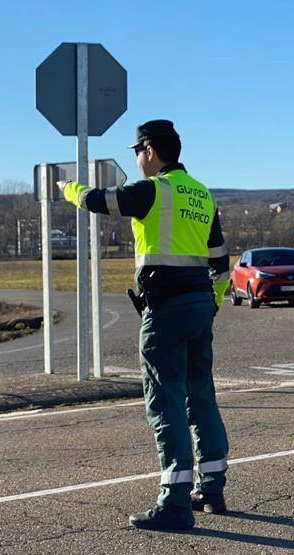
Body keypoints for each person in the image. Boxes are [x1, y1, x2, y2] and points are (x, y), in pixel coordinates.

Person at [58, 119, 230, 531]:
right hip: (199, 306)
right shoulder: (203, 196)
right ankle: (211, 488)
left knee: (165, 399)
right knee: (200, 395)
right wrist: (213, 304)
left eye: (137, 152)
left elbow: (102, 200)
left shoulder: (154, 190)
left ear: (150, 151)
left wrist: (68, 190)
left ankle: (174, 503)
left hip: (165, 308)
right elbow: (222, 263)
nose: (137, 160)